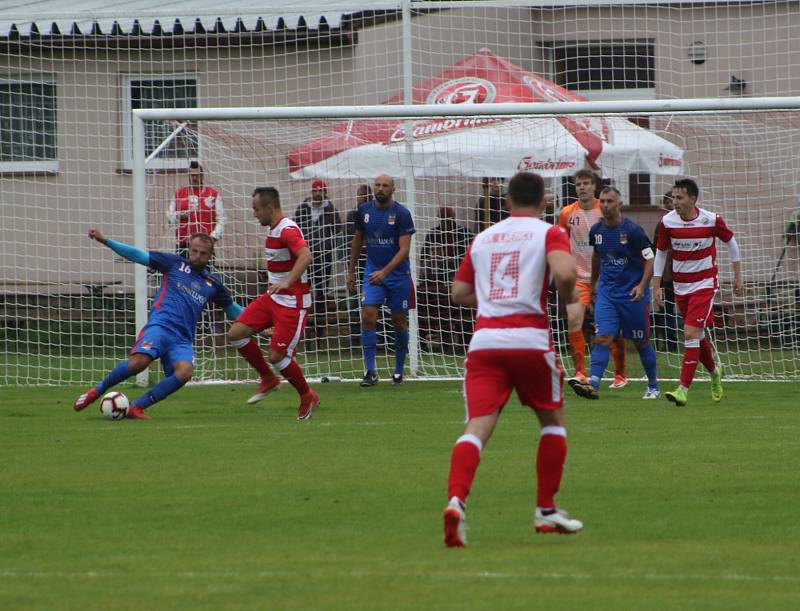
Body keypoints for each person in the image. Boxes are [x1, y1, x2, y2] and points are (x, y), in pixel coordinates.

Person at [443, 171, 583, 548]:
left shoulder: (484, 237)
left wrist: (491, 300)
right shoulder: (549, 231)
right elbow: (566, 272)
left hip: (485, 343)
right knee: (553, 422)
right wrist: (571, 300)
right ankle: (545, 509)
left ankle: (456, 502)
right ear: (544, 202)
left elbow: (458, 292)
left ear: (506, 200)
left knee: (477, 428)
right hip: (529, 339)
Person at [73, 231, 241, 420]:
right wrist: (106, 241)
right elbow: (139, 255)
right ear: (189, 249)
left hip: (182, 339)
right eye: (194, 251)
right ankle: (96, 391)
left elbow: (233, 309)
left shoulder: (212, 284)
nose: (197, 256)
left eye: (203, 253)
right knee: (139, 363)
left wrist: (261, 324)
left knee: (184, 373)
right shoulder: (174, 263)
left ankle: (137, 407)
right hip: (160, 327)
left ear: (210, 256)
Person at [228, 187, 320, 421]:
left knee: (277, 355)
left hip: (293, 302)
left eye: (256, 210)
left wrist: (288, 282)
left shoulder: (287, 230)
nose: (254, 214)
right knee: (237, 333)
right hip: (273, 298)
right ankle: (268, 378)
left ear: (270, 207)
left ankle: (307, 395)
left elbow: (306, 256)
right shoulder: (273, 229)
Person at [652, 178, 743, 407]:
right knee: (698, 336)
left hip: (704, 285)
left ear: (693, 199)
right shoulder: (667, 222)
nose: (675, 202)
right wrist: (656, 285)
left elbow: (731, 242)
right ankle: (714, 373)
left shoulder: (711, 220)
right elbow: (661, 253)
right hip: (681, 287)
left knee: (690, 333)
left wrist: (737, 275)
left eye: (680, 198)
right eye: (673, 197)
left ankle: (683, 390)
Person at [568, 187, 660, 401]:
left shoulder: (633, 231)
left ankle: (653, 385)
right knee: (603, 337)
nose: (606, 205)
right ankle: (594, 383)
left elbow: (650, 258)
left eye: (611, 201)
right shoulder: (597, 232)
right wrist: (592, 286)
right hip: (607, 294)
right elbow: (597, 258)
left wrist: (641, 285)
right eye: (603, 201)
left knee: (640, 342)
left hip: (632, 296)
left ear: (619, 205)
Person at [558, 170, 627, 387]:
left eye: (586, 184)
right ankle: (580, 372)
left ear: (594, 186)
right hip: (578, 278)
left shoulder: (604, 209)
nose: (582, 188)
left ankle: (620, 375)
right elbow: (559, 242)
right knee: (574, 320)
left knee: (610, 327)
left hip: (606, 277)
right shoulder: (567, 213)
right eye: (578, 184)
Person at [347, 175, 416, 386]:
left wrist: (385, 272)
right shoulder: (364, 211)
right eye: (377, 185)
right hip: (372, 273)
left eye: (385, 186)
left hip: (397, 276)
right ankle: (370, 371)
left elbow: (404, 250)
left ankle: (398, 371)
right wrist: (350, 272)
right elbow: (358, 240)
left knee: (399, 321)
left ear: (393, 189)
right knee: (367, 316)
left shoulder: (402, 214)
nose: (380, 188)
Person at [294, 179, 342, 344]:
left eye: (321, 191)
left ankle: (319, 334)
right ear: (311, 192)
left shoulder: (330, 210)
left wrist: (327, 245)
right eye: (315, 191)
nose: (318, 194)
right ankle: (305, 333)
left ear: (325, 192)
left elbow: (338, 230)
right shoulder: (303, 209)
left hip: (324, 258)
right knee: (304, 292)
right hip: (305, 258)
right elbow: (295, 229)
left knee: (321, 294)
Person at [419, 206, 473, 351]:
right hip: (434, 280)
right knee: (423, 302)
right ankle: (422, 343)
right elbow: (424, 258)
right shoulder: (433, 234)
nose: (445, 220)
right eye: (442, 217)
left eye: (448, 217)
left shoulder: (464, 233)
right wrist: (431, 262)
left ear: (453, 217)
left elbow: (470, 257)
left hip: (458, 278)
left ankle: (464, 342)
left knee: (461, 306)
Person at [167, 161, 226, 257]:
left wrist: (212, 238)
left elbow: (221, 219)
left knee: (204, 271)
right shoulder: (179, 194)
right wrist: (181, 215)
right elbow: (169, 218)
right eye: (192, 175)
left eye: (197, 175)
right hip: (183, 245)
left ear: (202, 176)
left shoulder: (213, 194)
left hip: (204, 245)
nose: (194, 178)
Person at [344, 184, 374, 346]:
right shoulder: (352, 215)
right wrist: (349, 265)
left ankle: (375, 335)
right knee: (354, 300)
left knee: (372, 300)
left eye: (366, 195)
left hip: (373, 264)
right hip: (355, 264)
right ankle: (355, 336)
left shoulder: (377, 214)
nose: (363, 197)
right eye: (361, 195)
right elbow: (347, 240)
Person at [651, 191, 680, 352]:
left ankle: (695, 340)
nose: (671, 204)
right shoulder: (662, 224)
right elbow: (657, 250)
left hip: (682, 275)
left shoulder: (686, 223)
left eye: (674, 200)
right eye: (668, 201)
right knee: (665, 310)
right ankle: (670, 343)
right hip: (665, 276)